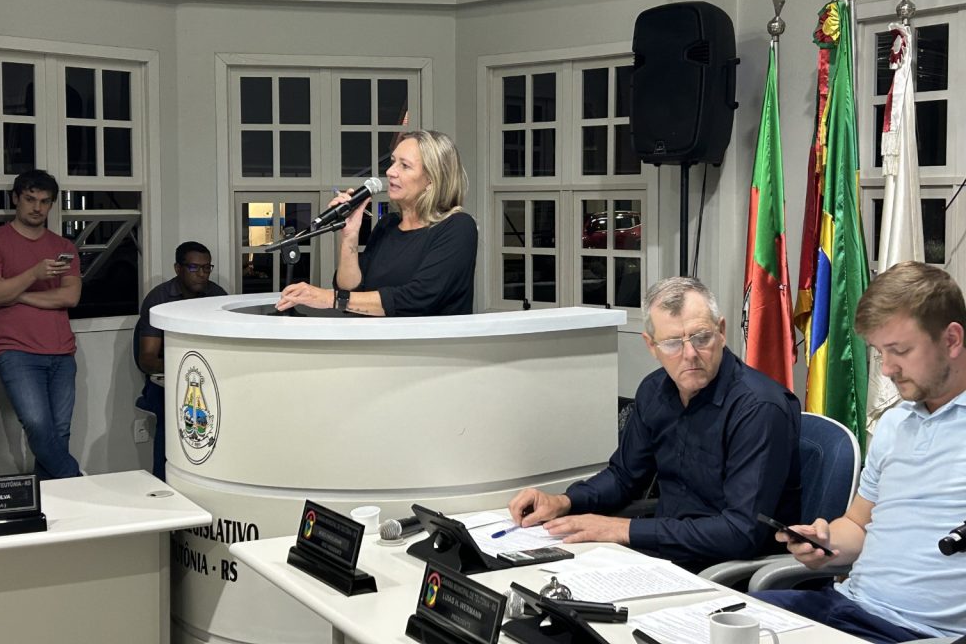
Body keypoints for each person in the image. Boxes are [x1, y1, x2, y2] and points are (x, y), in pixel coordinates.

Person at [508, 276, 801, 571]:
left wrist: (622, 529)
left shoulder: (759, 408)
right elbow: (623, 477)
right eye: (672, 343)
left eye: (701, 338)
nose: (690, 354)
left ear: (722, 332)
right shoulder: (654, 390)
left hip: (726, 571)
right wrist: (564, 501)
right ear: (651, 346)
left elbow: (740, 532)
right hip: (663, 555)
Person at [753, 261, 966, 644]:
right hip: (848, 606)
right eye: (880, 353)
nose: (887, 370)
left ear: (951, 340)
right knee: (722, 623)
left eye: (899, 351)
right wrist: (823, 541)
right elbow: (857, 525)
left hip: (922, 633)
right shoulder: (896, 422)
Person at [276, 129, 477, 317]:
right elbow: (351, 292)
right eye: (393, 162)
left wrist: (328, 298)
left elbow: (418, 298)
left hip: (429, 343)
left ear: (431, 180)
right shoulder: (387, 225)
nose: (390, 171)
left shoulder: (458, 227)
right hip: (377, 341)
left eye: (404, 165)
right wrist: (349, 235)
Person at [0, 169, 82, 479]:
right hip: (16, 350)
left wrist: (17, 294)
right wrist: (33, 274)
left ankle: (52, 501)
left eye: (45, 201)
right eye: (30, 199)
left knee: (59, 431)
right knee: (37, 424)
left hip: (62, 351)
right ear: (15, 199)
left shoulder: (64, 246)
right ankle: (77, 481)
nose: (37, 207)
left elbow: (70, 297)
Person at [135, 241, 227, 480]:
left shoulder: (217, 296)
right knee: (172, 426)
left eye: (207, 268)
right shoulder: (159, 298)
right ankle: (165, 483)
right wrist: (186, 367)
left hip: (209, 380)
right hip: (166, 382)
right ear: (178, 268)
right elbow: (147, 360)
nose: (202, 274)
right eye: (194, 268)